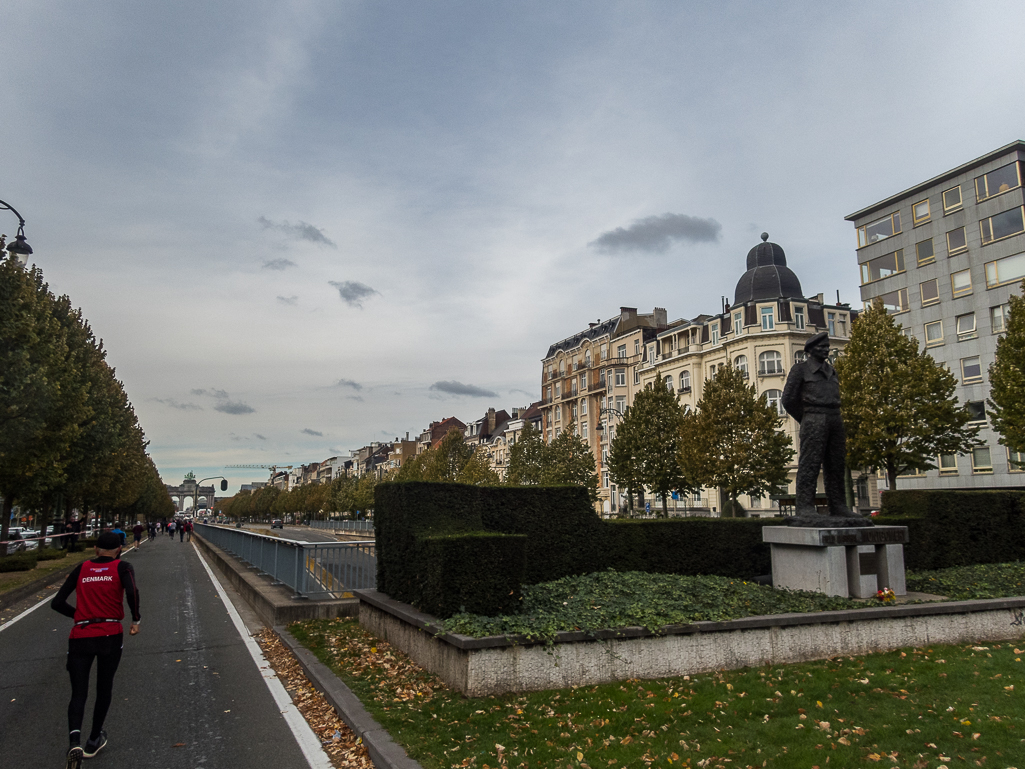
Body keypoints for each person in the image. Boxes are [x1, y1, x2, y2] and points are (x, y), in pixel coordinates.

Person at [51, 531, 140, 768]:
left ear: (95, 549)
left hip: (80, 634)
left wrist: (79, 615)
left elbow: (56, 602)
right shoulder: (123, 567)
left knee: (78, 692)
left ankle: (74, 741)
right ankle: (93, 739)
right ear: (120, 549)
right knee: (104, 687)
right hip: (110, 633)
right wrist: (136, 619)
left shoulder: (81, 569)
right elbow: (132, 593)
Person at [781, 331, 858, 520]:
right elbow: (788, 400)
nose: (825, 350)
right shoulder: (800, 370)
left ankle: (838, 506)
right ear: (810, 350)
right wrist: (806, 418)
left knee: (836, 465)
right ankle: (805, 508)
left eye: (827, 347)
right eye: (821, 347)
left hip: (835, 417)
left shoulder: (832, 371)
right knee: (810, 464)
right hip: (814, 417)